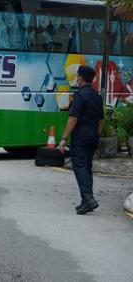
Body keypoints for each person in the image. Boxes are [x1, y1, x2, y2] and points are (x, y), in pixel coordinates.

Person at [59, 65, 104, 215]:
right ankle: (86, 201)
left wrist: (63, 138)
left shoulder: (80, 96)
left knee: (79, 167)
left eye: (77, 76)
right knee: (87, 167)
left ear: (81, 78)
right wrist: (95, 135)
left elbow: (73, 118)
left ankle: (88, 198)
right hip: (93, 134)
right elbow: (101, 121)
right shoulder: (97, 96)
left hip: (81, 135)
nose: (76, 79)